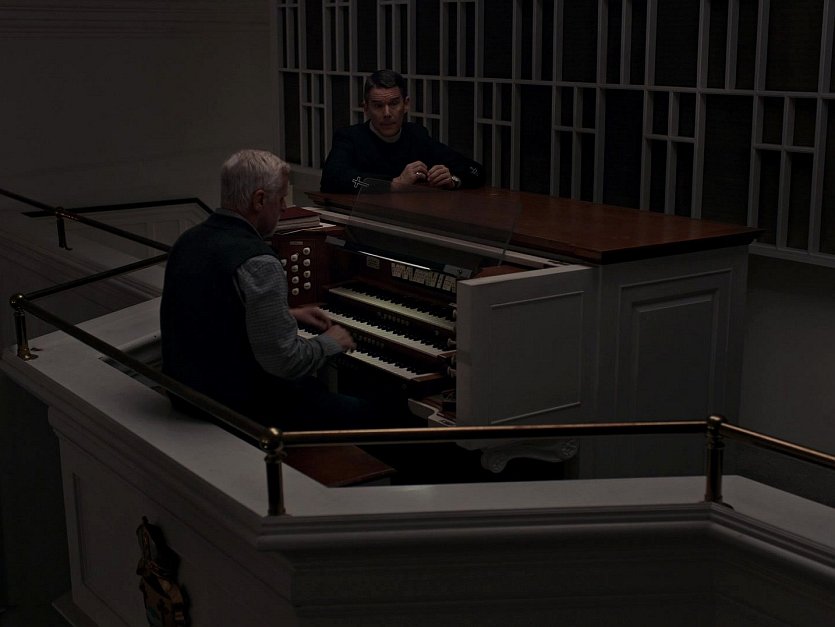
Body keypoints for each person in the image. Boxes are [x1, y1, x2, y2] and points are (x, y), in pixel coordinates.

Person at [161, 148, 382, 431]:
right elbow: (286, 362)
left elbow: (212, 312)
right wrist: (331, 342)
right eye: (281, 198)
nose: (284, 207)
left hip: (187, 393)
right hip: (236, 406)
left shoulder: (188, 240)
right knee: (370, 413)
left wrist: (287, 314)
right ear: (259, 200)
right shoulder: (259, 261)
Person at [320, 69, 485, 193]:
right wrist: (394, 184)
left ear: (405, 105)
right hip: (365, 221)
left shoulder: (417, 135)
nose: (387, 113)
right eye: (378, 106)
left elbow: (476, 171)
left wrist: (453, 180)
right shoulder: (350, 137)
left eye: (394, 104)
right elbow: (332, 179)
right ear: (366, 108)